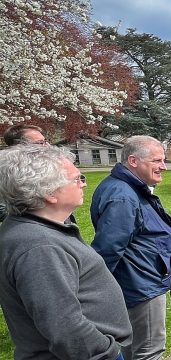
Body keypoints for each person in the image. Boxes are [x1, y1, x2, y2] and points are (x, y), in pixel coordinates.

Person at [0, 145, 132, 359]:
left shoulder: (32, 229)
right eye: (77, 179)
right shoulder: (39, 246)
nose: (84, 183)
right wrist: (106, 353)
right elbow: (65, 326)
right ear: (49, 193)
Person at [91, 135, 171, 360]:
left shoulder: (126, 188)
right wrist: (98, 290)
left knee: (133, 347)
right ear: (133, 161)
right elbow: (109, 248)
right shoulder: (122, 196)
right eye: (157, 161)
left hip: (139, 280)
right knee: (148, 350)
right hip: (140, 285)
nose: (164, 167)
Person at [1, 124, 52, 223]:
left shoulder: (48, 167)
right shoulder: (8, 174)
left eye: (46, 141)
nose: (48, 146)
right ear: (19, 147)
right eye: (40, 143)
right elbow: (3, 210)